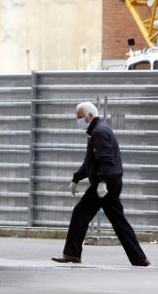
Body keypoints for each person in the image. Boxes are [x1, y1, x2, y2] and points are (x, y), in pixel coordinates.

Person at [52, 102, 151, 266]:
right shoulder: (96, 132)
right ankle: (140, 258)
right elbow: (90, 163)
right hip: (108, 182)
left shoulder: (99, 132)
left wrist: (102, 182)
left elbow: (107, 159)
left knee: (80, 213)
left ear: (89, 116)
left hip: (105, 185)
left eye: (79, 117)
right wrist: (76, 178)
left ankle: (72, 254)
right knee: (118, 221)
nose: (78, 121)